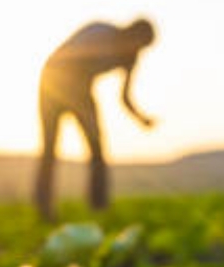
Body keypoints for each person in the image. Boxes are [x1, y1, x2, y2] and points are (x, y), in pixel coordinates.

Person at [35, 18, 156, 220]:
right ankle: (44, 208)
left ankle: (98, 206)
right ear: (131, 32)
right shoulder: (101, 33)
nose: (138, 49)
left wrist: (141, 118)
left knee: (97, 147)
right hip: (52, 81)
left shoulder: (130, 57)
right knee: (50, 147)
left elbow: (124, 97)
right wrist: (82, 106)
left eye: (142, 47)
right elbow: (69, 63)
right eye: (138, 43)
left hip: (82, 88)